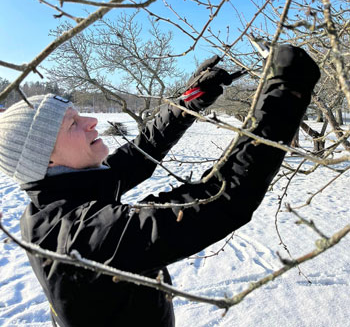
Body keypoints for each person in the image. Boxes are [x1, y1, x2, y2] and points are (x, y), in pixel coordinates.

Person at [0, 45, 320, 327]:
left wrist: (189, 100)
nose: (91, 122)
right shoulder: (73, 235)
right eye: (73, 124)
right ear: (48, 160)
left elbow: (141, 151)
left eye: (79, 113)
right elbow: (220, 200)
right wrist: (287, 90)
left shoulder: (64, 190)